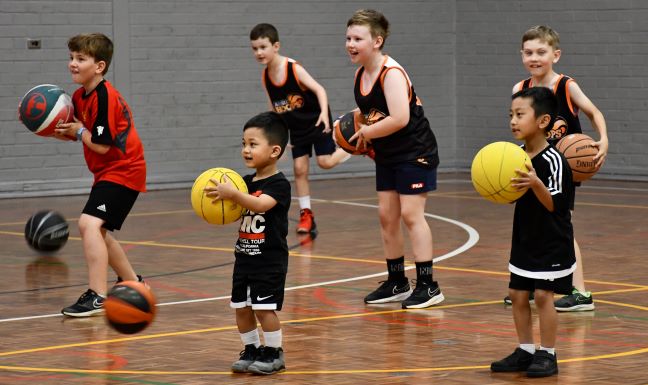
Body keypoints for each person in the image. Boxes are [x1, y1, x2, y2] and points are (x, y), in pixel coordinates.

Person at [504, 25, 609, 311]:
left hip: (562, 167)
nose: (534, 58)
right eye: (528, 53)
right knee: (531, 223)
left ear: (555, 55)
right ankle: (525, 282)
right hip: (532, 166)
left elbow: (593, 112)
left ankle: (581, 292)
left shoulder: (566, 86)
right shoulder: (520, 89)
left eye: (541, 52)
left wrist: (604, 139)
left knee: (560, 227)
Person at [345, 9, 444, 309]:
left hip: (415, 152)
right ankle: (397, 281)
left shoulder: (392, 73)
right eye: (348, 37)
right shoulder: (361, 73)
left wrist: (368, 132)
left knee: (412, 215)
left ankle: (428, 286)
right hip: (388, 155)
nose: (350, 44)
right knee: (387, 216)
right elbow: (368, 116)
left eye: (357, 38)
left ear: (377, 40)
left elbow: (400, 118)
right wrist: (354, 137)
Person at [54, 33, 147, 317]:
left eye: (80, 59)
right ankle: (133, 284)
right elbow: (84, 133)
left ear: (99, 66)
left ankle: (97, 295)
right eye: (71, 57)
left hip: (124, 169)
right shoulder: (81, 96)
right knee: (99, 230)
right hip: (108, 172)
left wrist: (79, 132)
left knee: (89, 225)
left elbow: (102, 145)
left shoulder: (105, 96)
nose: (72, 63)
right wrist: (57, 129)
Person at [491, 87, 576, 378]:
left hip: (552, 240)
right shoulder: (514, 155)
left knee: (542, 296)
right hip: (525, 237)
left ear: (542, 121)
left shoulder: (554, 161)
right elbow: (513, 196)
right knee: (517, 293)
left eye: (520, 114)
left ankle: (548, 354)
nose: (513, 121)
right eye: (510, 115)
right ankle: (525, 350)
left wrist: (535, 183)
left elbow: (558, 205)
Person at [205, 112, 291, 375]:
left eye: (253, 144)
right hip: (244, 258)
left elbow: (261, 204)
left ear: (274, 150)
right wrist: (220, 204)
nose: (246, 149)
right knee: (241, 308)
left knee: (264, 310)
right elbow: (237, 212)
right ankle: (251, 349)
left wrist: (234, 194)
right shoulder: (243, 182)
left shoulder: (279, 184)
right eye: (244, 143)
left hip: (269, 261)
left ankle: (274, 352)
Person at [249, 23, 350, 234]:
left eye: (262, 47)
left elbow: (319, 89)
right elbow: (273, 110)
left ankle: (353, 146)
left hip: (316, 120)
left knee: (325, 162)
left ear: (276, 46)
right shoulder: (265, 77)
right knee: (299, 170)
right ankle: (307, 215)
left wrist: (324, 113)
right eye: (254, 48)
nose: (258, 52)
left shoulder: (293, 69)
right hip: (295, 128)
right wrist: (279, 138)